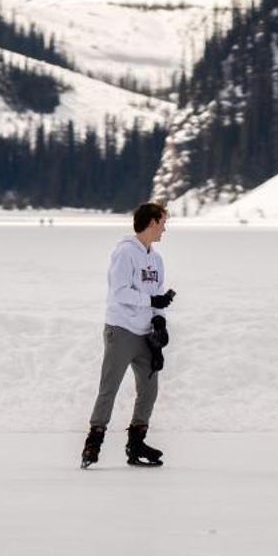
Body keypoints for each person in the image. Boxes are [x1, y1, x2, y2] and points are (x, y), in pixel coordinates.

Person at [80, 201, 175, 469]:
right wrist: (151, 300)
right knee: (109, 388)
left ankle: (136, 444)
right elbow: (119, 292)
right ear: (152, 222)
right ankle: (93, 444)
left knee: (149, 389)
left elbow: (158, 295)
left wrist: (160, 323)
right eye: (163, 223)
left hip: (146, 335)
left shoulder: (156, 259)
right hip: (121, 330)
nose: (164, 229)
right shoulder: (124, 253)